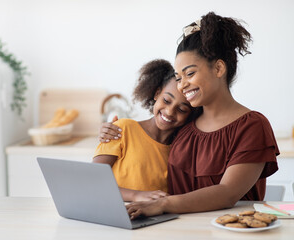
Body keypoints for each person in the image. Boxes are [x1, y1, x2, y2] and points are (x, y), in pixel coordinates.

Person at [99, 12, 279, 219]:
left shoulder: (252, 126)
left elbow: (228, 193)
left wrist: (163, 204)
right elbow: (147, 139)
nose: (182, 84)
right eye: (178, 77)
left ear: (219, 68)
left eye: (190, 73)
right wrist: (109, 131)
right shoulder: (185, 125)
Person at [93, 59, 199, 202]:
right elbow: (93, 180)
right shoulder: (122, 129)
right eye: (166, 100)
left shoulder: (180, 150)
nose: (169, 111)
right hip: (115, 215)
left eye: (182, 109)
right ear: (157, 94)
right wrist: (136, 195)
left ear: (190, 115)